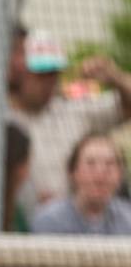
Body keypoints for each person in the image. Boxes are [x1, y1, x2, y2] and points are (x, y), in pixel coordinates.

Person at [9, 30, 131, 215]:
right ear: (20, 71)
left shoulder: (73, 111)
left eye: (54, 73)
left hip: (68, 226)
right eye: (41, 73)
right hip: (13, 227)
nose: (49, 81)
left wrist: (115, 77)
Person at [32, 133, 131, 235]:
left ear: (120, 174)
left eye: (109, 164)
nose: (100, 173)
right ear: (72, 172)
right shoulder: (49, 221)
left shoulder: (128, 219)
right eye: (90, 163)